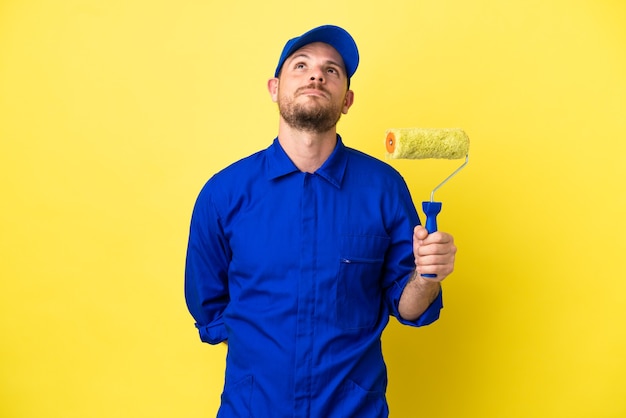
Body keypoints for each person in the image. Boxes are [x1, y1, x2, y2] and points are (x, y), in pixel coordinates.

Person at [185, 24, 457, 417]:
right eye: (301, 66)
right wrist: (269, 356)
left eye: (331, 70)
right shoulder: (224, 193)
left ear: (346, 100)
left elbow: (409, 306)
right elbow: (209, 308)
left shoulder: (383, 188)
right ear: (274, 88)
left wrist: (427, 276)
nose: (316, 75)